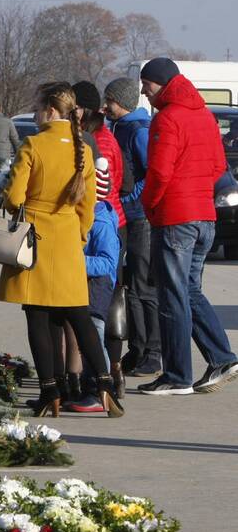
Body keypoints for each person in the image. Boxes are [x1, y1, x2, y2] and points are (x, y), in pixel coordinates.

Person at [0, 81, 121, 418]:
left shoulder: (34, 145)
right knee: (78, 314)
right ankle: (106, 383)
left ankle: (50, 391)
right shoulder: (84, 148)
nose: (36, 113)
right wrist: (78, 237)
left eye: (38, 107)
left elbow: (14, 199)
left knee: (38, 317)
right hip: (68, 239)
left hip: (35, 240)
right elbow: (89, 206)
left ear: (50, 110)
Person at [135, 57, 238, 395]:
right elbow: (219, 166)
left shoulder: (167, 118)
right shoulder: (204, 115)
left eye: (146, 84)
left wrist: (149, 205)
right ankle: (222, 357)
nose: (143, 91)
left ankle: (177, 376)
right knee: (189, 290)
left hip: (176, 217)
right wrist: (196, 192)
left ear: (162, 83)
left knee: (172, 296)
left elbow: (159, 172)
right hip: (204, 215)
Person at [72, 80, 128, 393]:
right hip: (105, 220)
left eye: (75, 107)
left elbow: (107, 187)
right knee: (104, 303)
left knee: (100, 306)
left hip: (102, 224)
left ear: (85, 109)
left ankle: (106, 372)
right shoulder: (99, 137)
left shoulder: (98, 142)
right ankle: (103, 371)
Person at [104, 77, 161, 378]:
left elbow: (151, 174)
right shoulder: (120, 127)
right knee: (130, 288)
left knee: (143, 287)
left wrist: (130, 200)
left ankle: (152, 351)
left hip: (140, 219)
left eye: (109, 101)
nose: (106, 106)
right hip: (126, 217)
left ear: (121, 102)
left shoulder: (139, 131)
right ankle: (137, 349)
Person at [66, 162, 121, 413]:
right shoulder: (89, 216)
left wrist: (74, 258)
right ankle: (96, 384)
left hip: (97, 284)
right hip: (85, 280)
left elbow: (108, 262)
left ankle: (100, 390)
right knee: (87, 336)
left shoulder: (100, 222)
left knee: (94, 335)